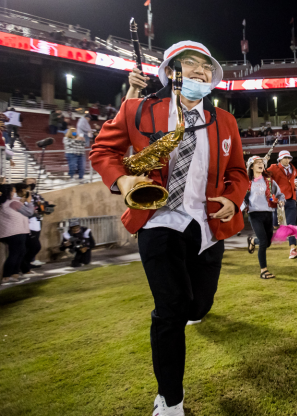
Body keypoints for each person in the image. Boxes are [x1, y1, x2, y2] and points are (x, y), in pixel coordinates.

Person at [90, 40, 248, 415]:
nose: (201, 72)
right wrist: (124, 182)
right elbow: (102, 151)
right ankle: (170, 400)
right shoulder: (136, 109)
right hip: (158, 219)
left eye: (207, 67)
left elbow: (239, 172)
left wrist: (233, 198)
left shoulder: (224, 119)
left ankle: (191, 313)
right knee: (171, 308)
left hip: (207, 224)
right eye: (192, 65)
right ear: (172, 72)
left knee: (199, 305)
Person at [263, 150, 297, 259]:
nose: (287, 160)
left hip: (291, 201)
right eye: (284, 158)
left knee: (291, 225)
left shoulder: (292, 168)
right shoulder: (273, 168)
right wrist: (263, 164)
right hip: (279, 201)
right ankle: (256, 240)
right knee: (275, 226)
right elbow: (263, 174)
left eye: (288, 158)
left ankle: (293, 250)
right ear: (279, 159)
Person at [242, 155, 285, 279]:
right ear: (251, 167)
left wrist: (281, 201)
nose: (260, 164)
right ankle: (264, 271)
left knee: (268, 242)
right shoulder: (246, 182)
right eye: (257, 163)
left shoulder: (269, 181)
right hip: (254, 215)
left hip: (268, 213)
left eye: (262, 162)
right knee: (264, 242)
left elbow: (280, 194)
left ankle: (252, 241)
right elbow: (240, 198)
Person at [0, 183, 34, 284]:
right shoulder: (12, 203)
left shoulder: (5, 202)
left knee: (21, 252)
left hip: (12, 231)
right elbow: (29, 213)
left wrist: (23, 200)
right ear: (8, 192)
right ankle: (7, 275)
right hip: (16, 232)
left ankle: (14, 273)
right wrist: (29, 202)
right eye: (13, 191)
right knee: (15, 254)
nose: (15, 193)